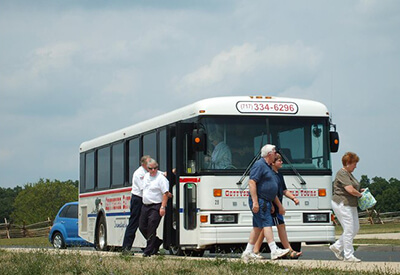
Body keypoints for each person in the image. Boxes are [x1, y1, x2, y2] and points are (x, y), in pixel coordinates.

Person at [241, 144, 290, 261]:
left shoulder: (267, 166)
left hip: (266, 201)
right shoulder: (259, 165)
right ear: (269, 154)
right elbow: (252, 182)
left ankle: (248, 251)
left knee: (257, 227)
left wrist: (272, 203)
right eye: (274, 152)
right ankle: (274, 250)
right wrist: (255, 202)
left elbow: (269, 187)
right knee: (267, 224)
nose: (276, 153)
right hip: (260, 200)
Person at [253, 153, 302, 259]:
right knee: (280, 227)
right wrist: (278, 206)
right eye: (279, 160)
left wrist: (293, 198)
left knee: (264, 227)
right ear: (273, 163)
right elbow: (271, 193)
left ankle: (255, 250)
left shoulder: (279, 175)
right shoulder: (270, 174)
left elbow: (284, 190)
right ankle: (289, 250)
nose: (281, 162)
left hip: (275, 204)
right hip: (272, 206)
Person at [329, 152, 363, 262]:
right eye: (354, 164)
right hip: (342, 203)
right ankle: (348, 255)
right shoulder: (342, 173)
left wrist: (359, 191)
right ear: (348, 163)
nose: (356, 166)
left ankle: (337, 246)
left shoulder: (349, 173)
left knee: (355, 228)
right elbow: (349, 189)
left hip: (351, 203)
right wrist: (360, 194)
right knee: (349, 228)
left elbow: (354, 188)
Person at [139, 158, 169, 257]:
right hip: (145, 205)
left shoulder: (161, 178)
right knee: (142, 226)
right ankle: (156, 242)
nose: (153, 171)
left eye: (155, 168)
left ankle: (148, 251)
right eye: (150, 168)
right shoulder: (146, 177)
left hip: (156, 206)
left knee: (152, 226)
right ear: (147, 168)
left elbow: (165, 193)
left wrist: (163, 207)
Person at [121, 155, 151, 255]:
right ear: (143, 164)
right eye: (148, 163)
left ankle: (153, 243)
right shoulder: (139, 174)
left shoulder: (149, 172)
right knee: (134, 223)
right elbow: (144, 188)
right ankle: (126, 248)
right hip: (138, 199)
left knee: (145, 223)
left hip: (144, 199)